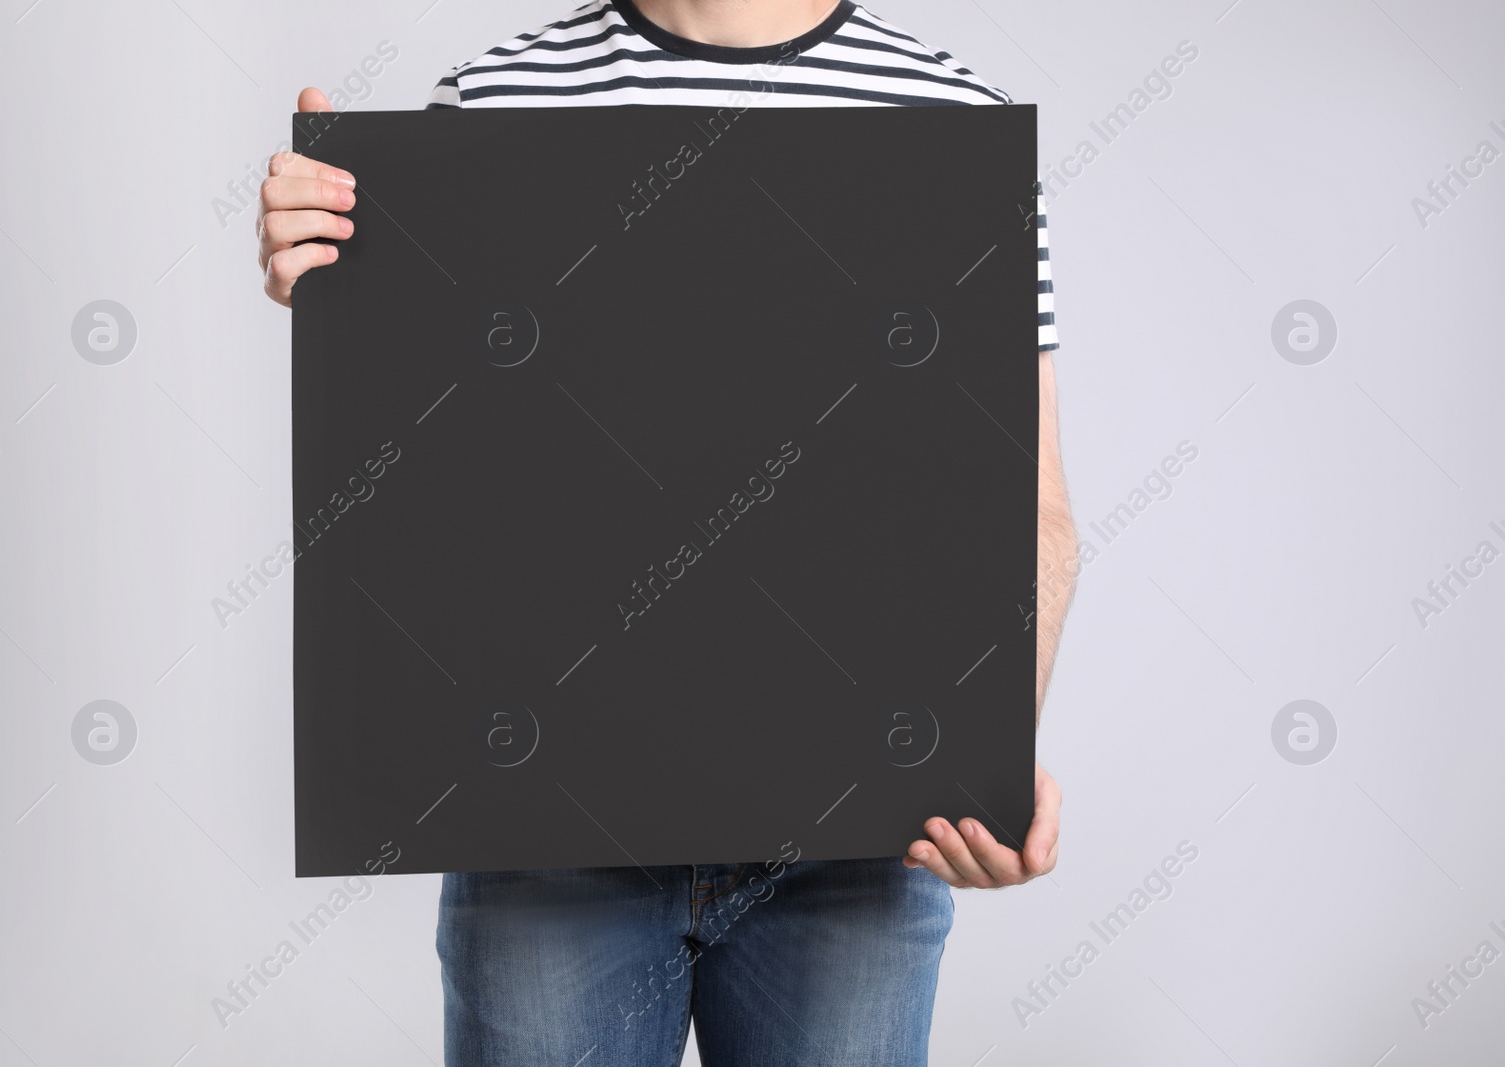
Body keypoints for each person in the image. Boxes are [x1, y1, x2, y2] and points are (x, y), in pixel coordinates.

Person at [258, 2, 1076, 1063]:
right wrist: (330, 283)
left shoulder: (952, 120)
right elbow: (430, 478)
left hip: (851, 854)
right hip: (544, 842)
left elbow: (1033, 510)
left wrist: (984, 762)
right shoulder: (490, 101)